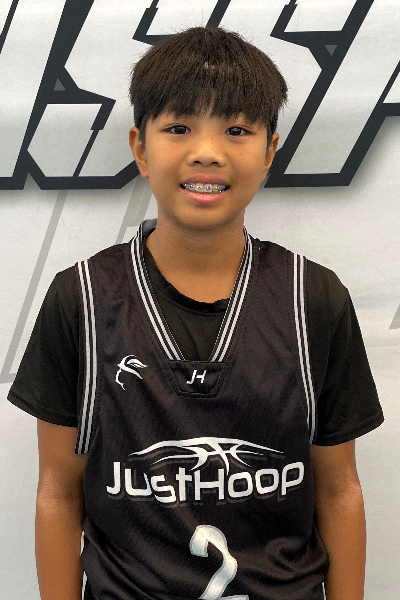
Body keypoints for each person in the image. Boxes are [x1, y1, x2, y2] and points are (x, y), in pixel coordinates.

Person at [8, 26, 383, 600]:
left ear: (269, 151)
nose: (207, 151)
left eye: (236, 130)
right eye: (179, 128)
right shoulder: (80, 299)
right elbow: (59, 492)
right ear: (140, 147)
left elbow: (339, 490)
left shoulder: (314, 298)